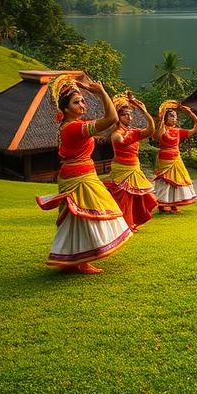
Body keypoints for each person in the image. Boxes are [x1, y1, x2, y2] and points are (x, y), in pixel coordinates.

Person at [36, 74, 132, 274]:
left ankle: (75, 259)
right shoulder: (75, 128)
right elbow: (112, 119)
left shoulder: (70, 127)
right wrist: (101, 92)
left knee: (79, 218)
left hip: (78, 174)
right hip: (80, 177)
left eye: (82, 101)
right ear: (65, 109)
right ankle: (83, 259)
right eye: (76, 102)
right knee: (89, 215)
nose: (82, 105)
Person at [104, 92, 158, 231]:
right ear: (117, 116)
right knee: (124, 198)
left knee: (137, 197)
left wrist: (144, 111)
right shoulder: (116, 133)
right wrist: (130, 136)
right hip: (122, 169)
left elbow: (151, 130)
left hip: (134, 168)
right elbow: (121, 141)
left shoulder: (132, 131)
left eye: (130, 114)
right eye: (124, 114)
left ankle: (131, 222)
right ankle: (123, 225)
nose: (129, 117)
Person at [153, 100, 197, 213]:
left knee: (177, 182)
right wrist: (161, 118)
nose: (174, 118)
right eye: (171, 116)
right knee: (164, 182)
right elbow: (157, 136)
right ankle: (161, 205)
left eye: (175, 116)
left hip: (176, 158)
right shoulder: (162, 129)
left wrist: (190, 113)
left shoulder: (178, 131)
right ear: (166, 118)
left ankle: (174, 205)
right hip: (164, 159)